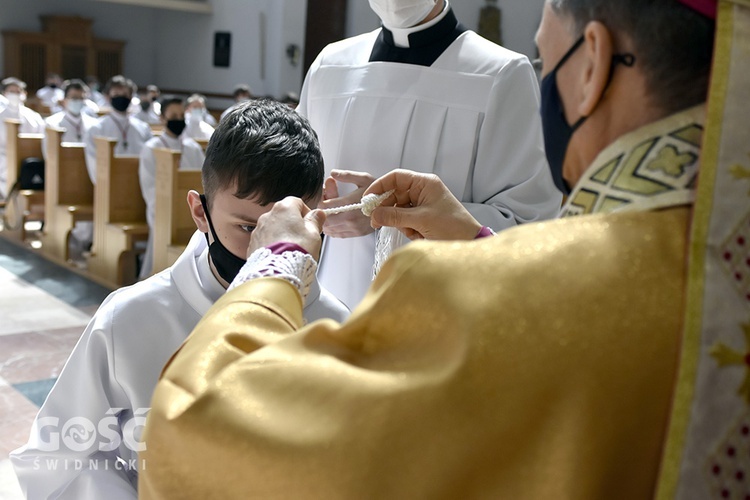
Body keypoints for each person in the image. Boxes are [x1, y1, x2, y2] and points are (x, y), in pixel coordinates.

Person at [138, 0, 737, 498]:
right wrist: (473, 238)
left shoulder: (468, 288)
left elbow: (197, 433)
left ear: (594, 64)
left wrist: (279, 261)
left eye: (548, 57)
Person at [10, 98, 350, 499]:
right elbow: (59, 458)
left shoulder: (336, 328)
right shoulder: (131, 317)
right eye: (248, 227)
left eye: (286, 227)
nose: (265, 247)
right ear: (200, 211)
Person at [298, 0, 562, 309]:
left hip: (440, 316)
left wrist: (390, 217)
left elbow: (527, 224)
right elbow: (293, 186)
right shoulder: (329, 67)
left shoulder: (501, 74)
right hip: (330, 305)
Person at [138, 96, 205, 279]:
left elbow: (204, 182)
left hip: (193, 212)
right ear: (162, 118)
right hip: (164, 210)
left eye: (181, 115)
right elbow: (149, 187)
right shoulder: (151, 149)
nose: (178, 119)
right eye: (173, 115)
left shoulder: (193, 148)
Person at [84, 75, 152, 184]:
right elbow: (94, 164)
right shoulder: (96, 128)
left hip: (139, 183)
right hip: (110, 185)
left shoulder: (143, 128)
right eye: (116, 94)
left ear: (130, 97)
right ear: (108, 97)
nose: (121, 97)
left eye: (125, 94)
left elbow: (150, 160)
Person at [0, 77, 46, 198]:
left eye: (18, 91)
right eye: (11, 92)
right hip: (3, 160)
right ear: (4, 94)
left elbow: (41, 140)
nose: (15, 95)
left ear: (24, 94)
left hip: (28, 162)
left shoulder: (34, 117)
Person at [43, 79, 99, 152]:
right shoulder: (52, 123)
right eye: (74, 98)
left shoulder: (93, 124)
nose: (78, 101)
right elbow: (49, 153)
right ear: (64, 100)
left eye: (81, 98)